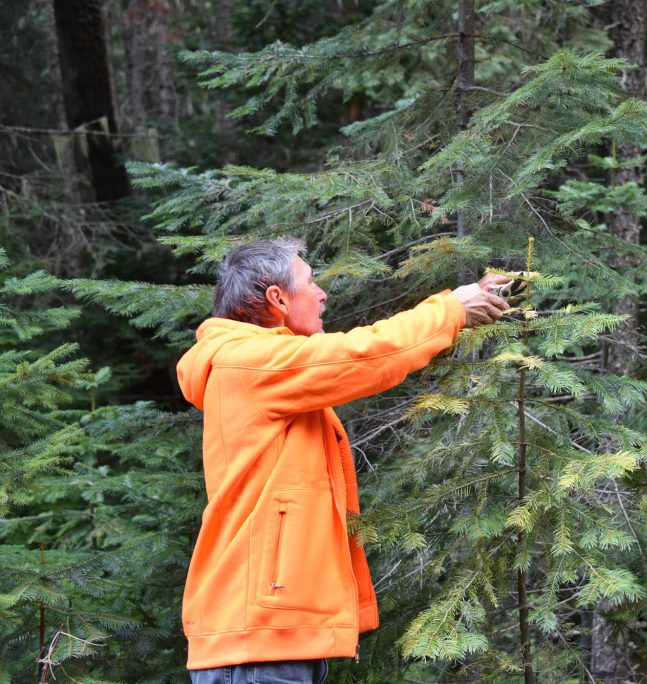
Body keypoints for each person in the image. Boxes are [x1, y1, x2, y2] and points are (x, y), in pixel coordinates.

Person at [176, 237, 510, 683]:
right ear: (277, 299)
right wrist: (449, 310)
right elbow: (363, 355)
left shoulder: (260, 364)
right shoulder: (249, 362)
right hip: (258, 638)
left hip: (271, 634)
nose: (322, 294)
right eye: (310, 283)